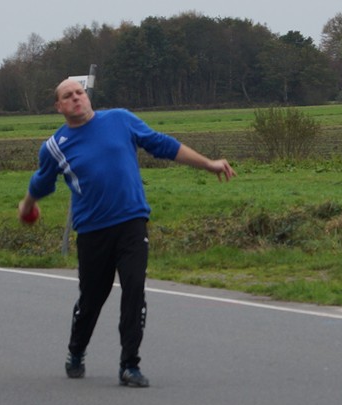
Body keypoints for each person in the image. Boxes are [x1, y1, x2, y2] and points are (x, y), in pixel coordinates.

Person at [18, 78, 236, 387]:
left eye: (80, 93)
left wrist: (208, 164)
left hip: (132, 221)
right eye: (68, 96)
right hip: (92, 231)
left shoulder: (120, 120)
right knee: (92, 299)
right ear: (59, 107)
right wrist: (27, 206)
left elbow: (163, 145)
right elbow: (41, 183)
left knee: (134, 290)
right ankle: (76, 350)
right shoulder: (54, 146)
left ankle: (129, 364)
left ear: (87, 97)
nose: (76, 98)